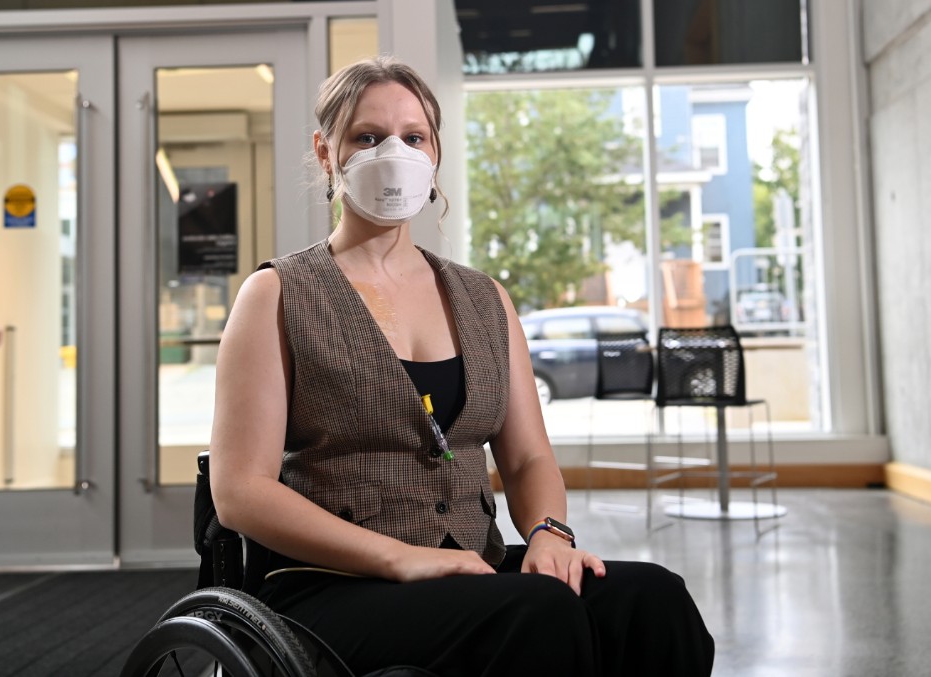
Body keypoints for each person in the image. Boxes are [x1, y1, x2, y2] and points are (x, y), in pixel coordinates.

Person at [210, 55, 714, 676]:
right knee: (536, 614)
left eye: (413, 137)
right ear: (325, 152)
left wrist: (550, 534)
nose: (393, 151)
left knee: (652, 600)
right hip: (330, 585)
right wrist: (397, 557)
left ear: (435, 153)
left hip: (473, 565)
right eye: (368, 137)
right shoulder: (278, 295)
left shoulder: (483, 299)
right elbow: (239, 493)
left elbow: (528, 458)